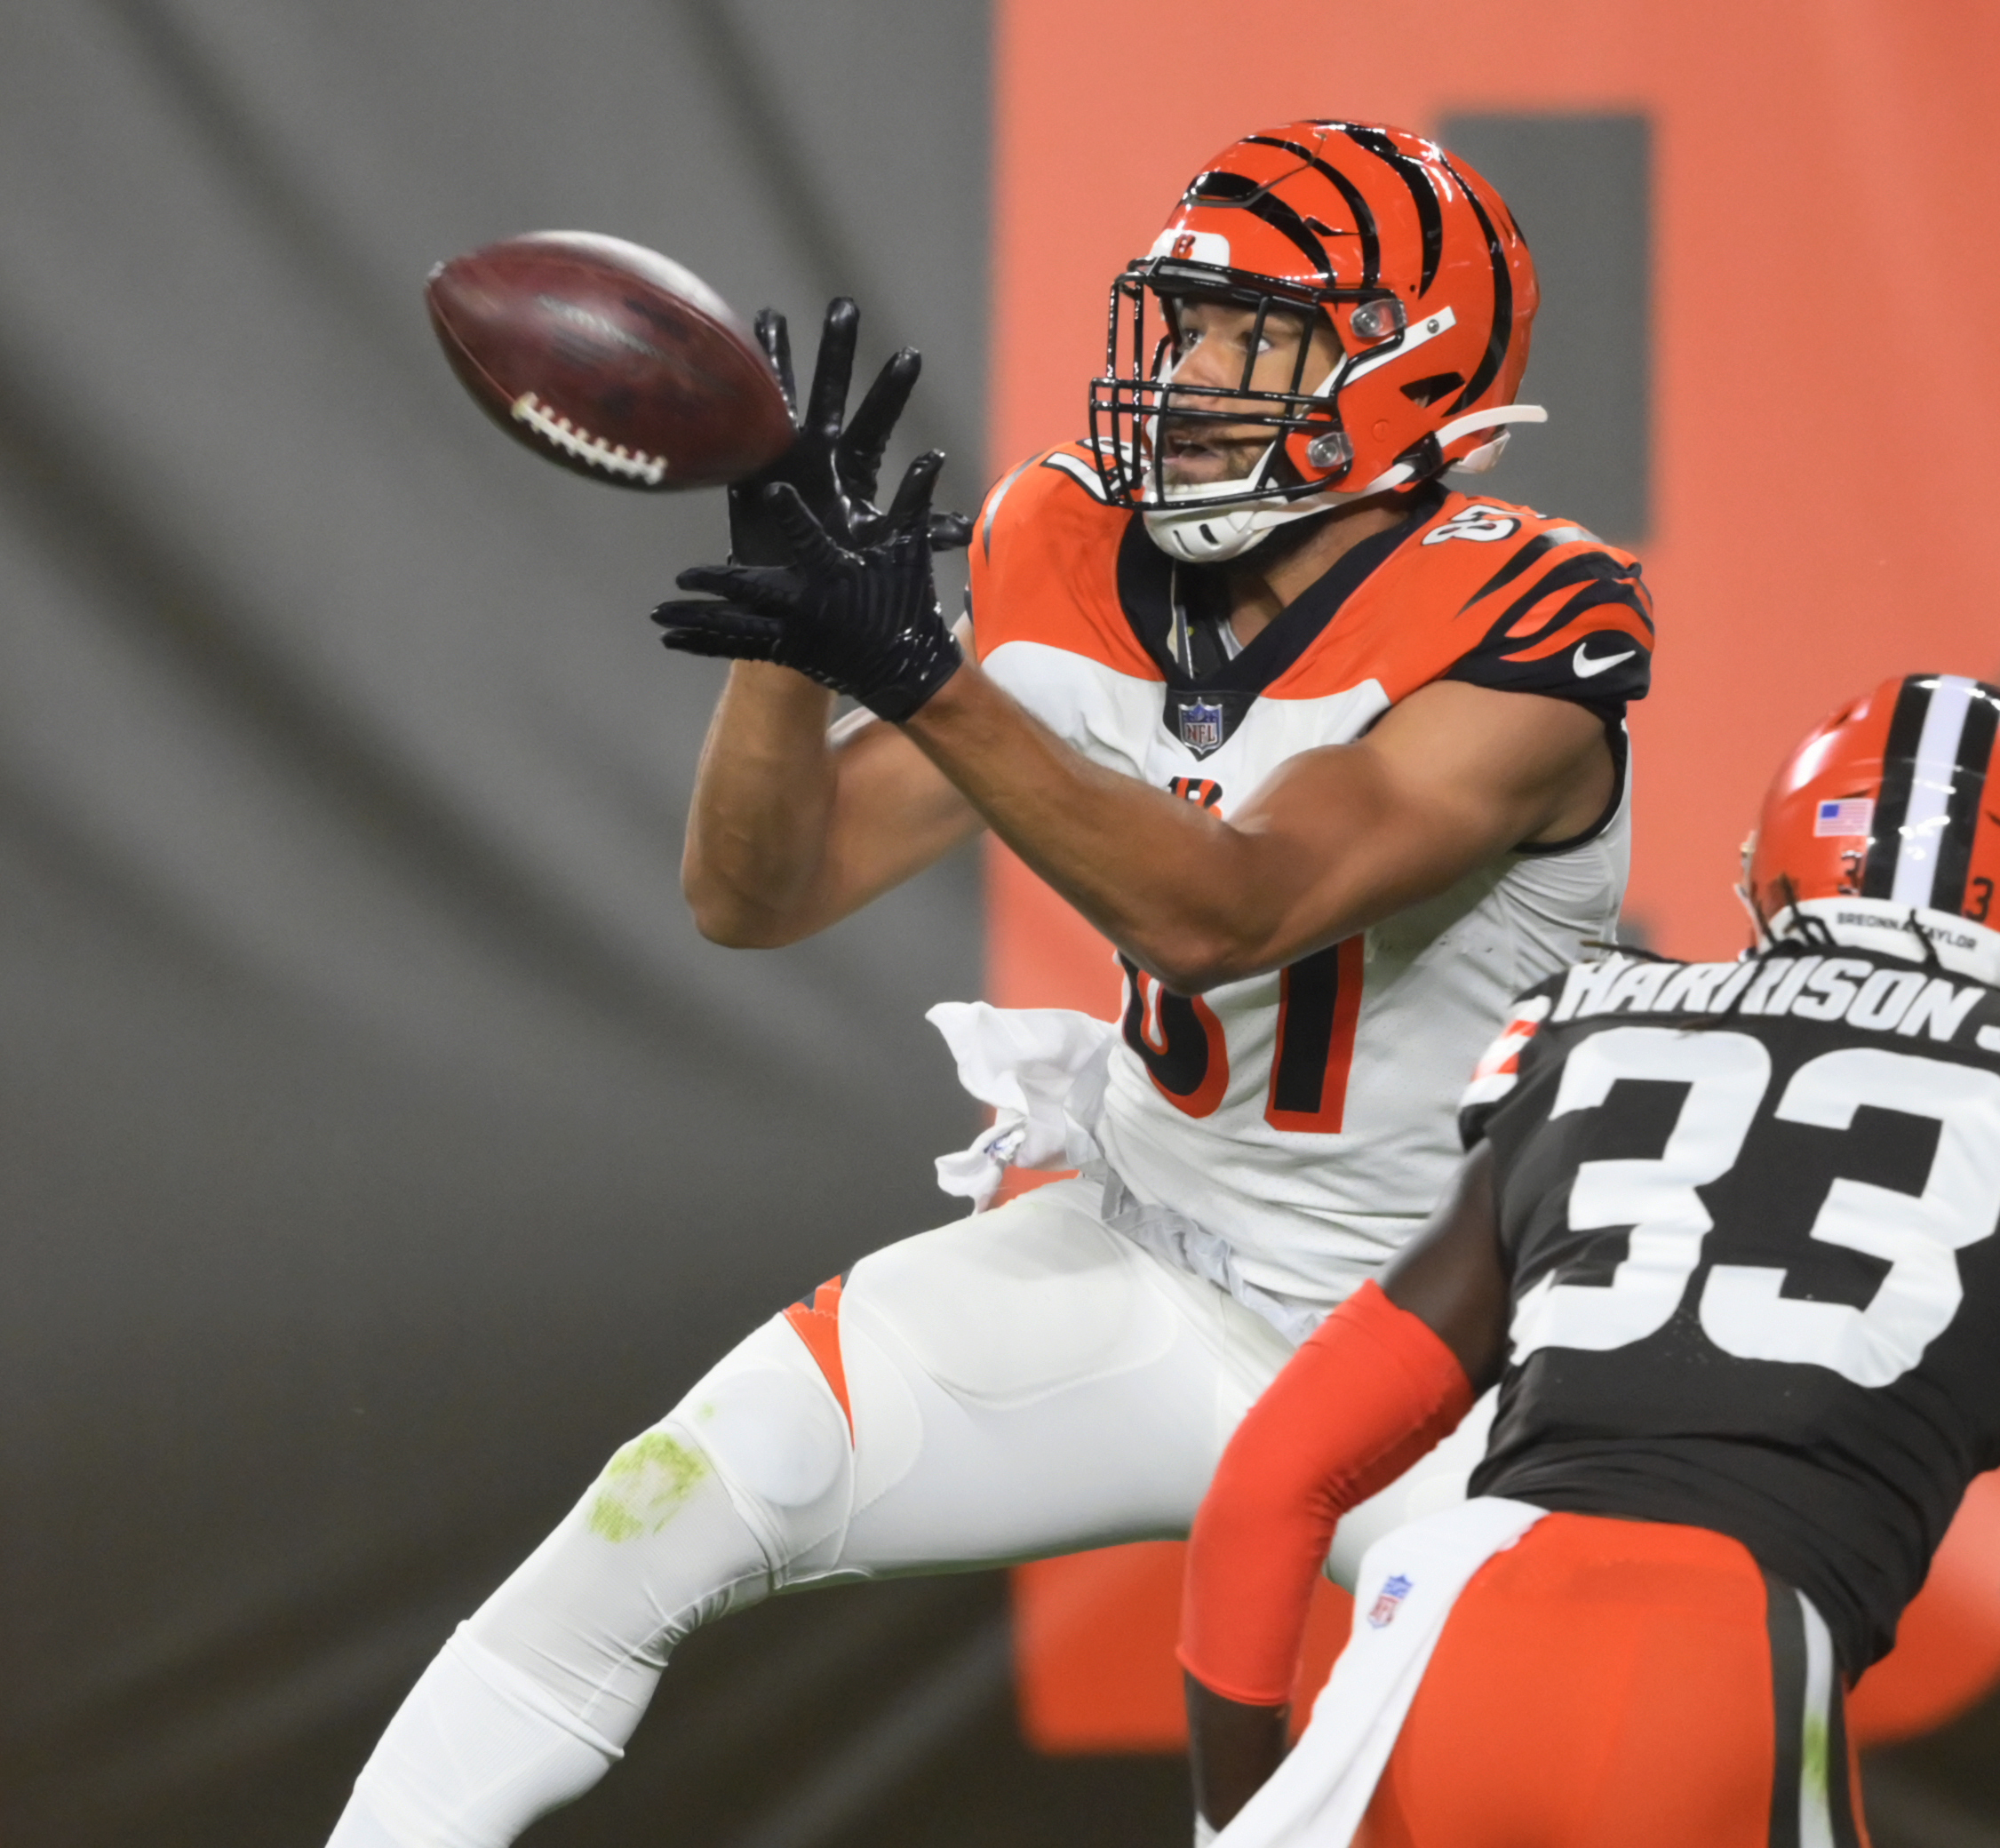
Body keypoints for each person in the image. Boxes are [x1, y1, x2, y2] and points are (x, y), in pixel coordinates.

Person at [328, 121, 1653, 1847]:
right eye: (1186, 325)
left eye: (1259, 335)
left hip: (1448, 1366)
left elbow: (1232, 907)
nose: (1191, 377)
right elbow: (760, 889)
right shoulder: (1077, 546)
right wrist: (798, 647)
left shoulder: (1528, 626)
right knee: (662, 1508)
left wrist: (922, 667)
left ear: (1413, 370)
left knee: (1581, 1782)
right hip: (1144, 1257)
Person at [1178, 673, 2000, 1848]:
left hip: (1439, 1638)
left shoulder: (1593, 1031)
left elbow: (1273, 1478)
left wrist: (1243, 1822)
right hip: (1719, 1665)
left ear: (1775, 869)